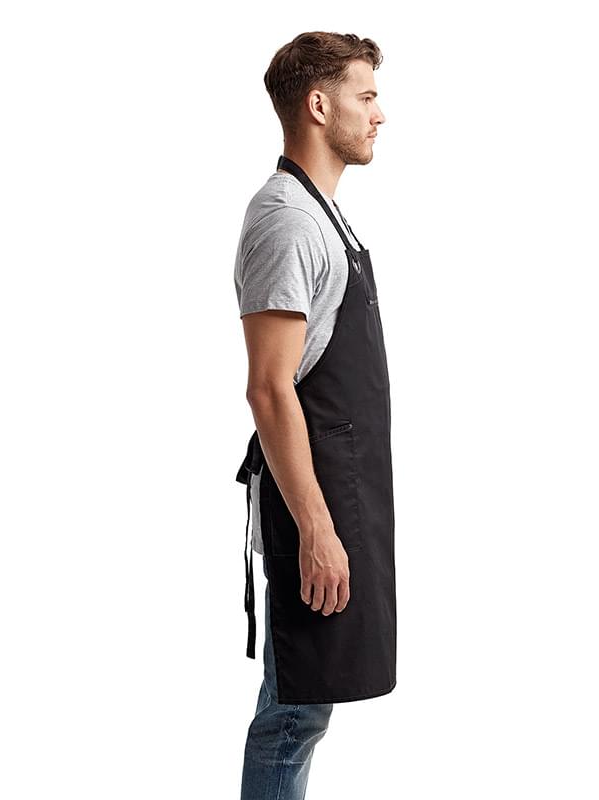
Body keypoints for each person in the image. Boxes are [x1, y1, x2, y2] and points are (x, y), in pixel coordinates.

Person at [234, 31, 396, 800]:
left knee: (306, 704)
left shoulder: (322, 213)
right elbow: (270, 389)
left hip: (344, 488)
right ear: (319, 105)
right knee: (294, 709)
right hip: (317, 501)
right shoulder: (288, 221)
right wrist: (316, 530)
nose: (380, 114)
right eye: (367, 97)